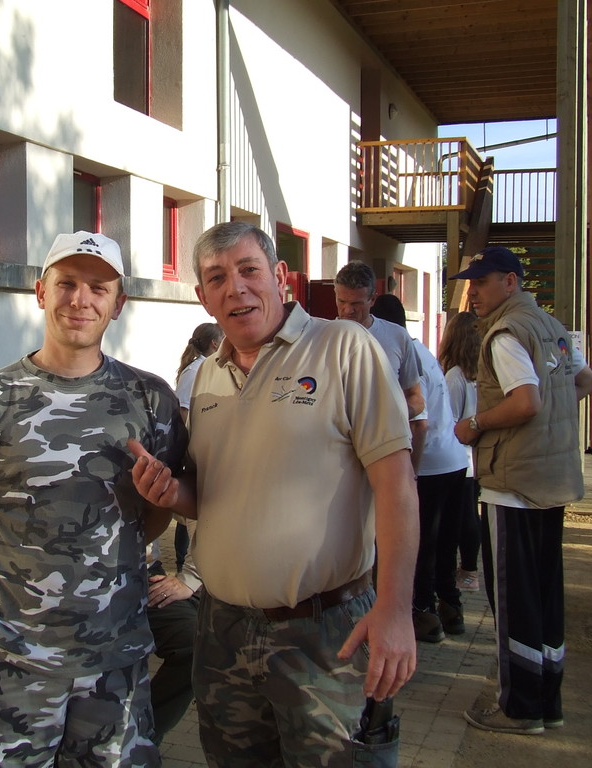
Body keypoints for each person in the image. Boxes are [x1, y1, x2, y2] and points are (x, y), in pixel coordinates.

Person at [129, 222, 419, 767]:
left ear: (279, 276)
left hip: (325, 633)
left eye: (249, 270)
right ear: (203, 297)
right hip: (222, 633)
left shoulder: (343, 347)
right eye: (217, 278)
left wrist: (395, 609)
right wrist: (169, 493)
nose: (236, 288)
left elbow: (397, 484)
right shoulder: (205, 377)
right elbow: (208, 493)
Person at [0, 230, 187, 766]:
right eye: (67, 283)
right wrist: (22, 582)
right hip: (14, 660)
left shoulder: (151, 401)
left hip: (114, 657)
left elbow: (155, 514)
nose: (80, 299)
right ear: (40, 292)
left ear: (118, 304)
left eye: (98, 288)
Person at [449, 246, 592, 735]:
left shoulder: (506, 333)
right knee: (544, 592)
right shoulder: (551, 327)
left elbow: (526, 402)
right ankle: (546, 700)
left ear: (510, 282)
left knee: (514, 600)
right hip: (551, 481)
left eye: (481, 282)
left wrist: (474, 424)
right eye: (471, 284)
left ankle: (520, 707)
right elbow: (585, 382)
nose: (473, 294)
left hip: (512, 484)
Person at [372, 294, 469, 643]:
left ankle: (424, 613)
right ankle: (451, 607)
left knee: (419, 543)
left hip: (430, 464)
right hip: (454, 461)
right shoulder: (422, 350)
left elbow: (420, 423)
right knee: (444, 542)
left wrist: (408, 475)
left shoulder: (403, 358)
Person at [334, 261, 425, 420]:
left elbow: (415, 397)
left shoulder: (397, 336)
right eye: (342, 301)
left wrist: (396, 417)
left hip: (384, 434)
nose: (348, 310)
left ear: (373, 299)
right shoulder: (321, 338)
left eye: (356, 304)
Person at [437, 311, 483, 595]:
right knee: (470, 514)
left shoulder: (455, 376)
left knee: (462, 517)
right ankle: (469, 568)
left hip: (460, 457)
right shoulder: (481, 374)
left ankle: (468, 572)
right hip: (475, 455)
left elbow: (449, 419)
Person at [172, 322, 222, 570]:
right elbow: (183, 411)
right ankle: (184, 562)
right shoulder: (196, 370)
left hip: (204, 447)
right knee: (188, 514)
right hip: (194, 449)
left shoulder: (210, 366)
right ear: (214, 343)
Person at [145, 539, 201, 743]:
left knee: (196, 643)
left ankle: (144, 734)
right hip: (68, 583)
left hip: (140, 575)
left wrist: (191, 577)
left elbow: (203, 522)